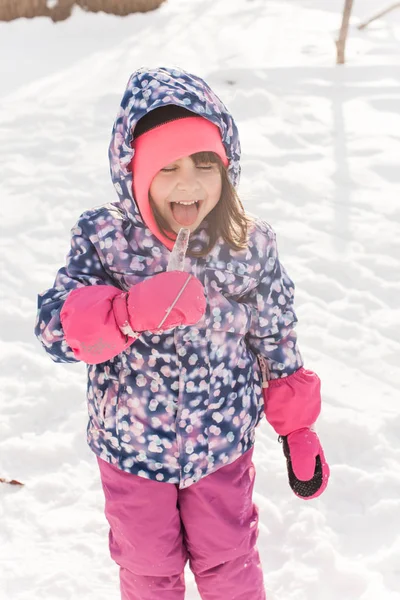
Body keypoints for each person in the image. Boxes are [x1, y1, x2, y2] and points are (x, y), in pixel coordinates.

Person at [35, 66, 330, 600]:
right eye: (166, 167)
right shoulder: (105, 239)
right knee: (148, 570)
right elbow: (56, 331)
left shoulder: (247, 243)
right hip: (131, 448)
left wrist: (297, 428)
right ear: (134, 173)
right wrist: (125, 312)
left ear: (227, 166)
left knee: (231, 562)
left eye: (203, 163)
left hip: (221, 446)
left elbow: (276, 335)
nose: (188, 182)